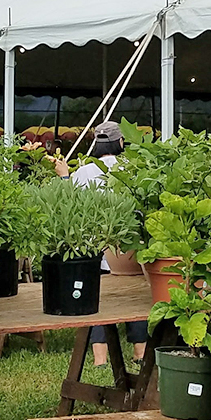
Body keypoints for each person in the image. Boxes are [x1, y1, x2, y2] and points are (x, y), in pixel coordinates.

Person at [53, 121, 147, 368]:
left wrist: (64, 176)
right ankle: (140, 352)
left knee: (99, 302)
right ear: (121, 142)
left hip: (96, 249)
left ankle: (99, 359)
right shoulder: (132, 168)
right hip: (127, 249)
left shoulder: (85, 171)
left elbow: (68, 202)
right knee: (132, 299)